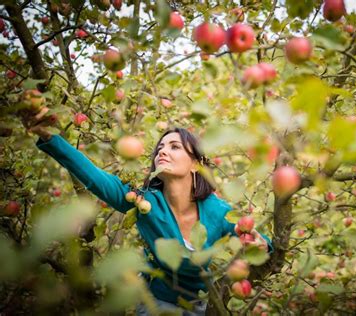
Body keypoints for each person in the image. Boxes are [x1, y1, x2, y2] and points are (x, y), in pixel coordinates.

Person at [22, 108, 273, 315]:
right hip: (156, 304)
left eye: (174, 147)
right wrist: (48, 137)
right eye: (160, 148)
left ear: (196, 164)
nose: (162, 151)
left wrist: (262, 245)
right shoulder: (143, 203)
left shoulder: (217, 210)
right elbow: (95, 178)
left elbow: (253, 237)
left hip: (200, 305)